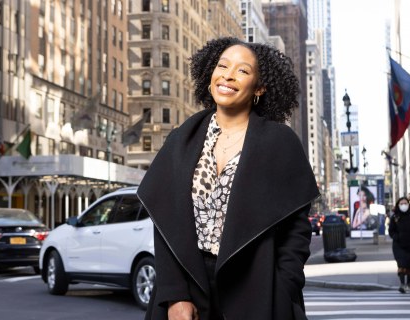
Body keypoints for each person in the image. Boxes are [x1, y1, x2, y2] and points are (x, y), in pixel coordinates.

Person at [137, 37, 319, 320]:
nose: (228, 75)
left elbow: (296, 232)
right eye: (222, 66)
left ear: (259, 87)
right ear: (210, 74)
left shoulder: (280, 142)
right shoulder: (182, 138)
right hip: (190, 288)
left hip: (256, 290)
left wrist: (282, 288)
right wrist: (175, 295)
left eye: (243, 71)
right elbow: (165, 224)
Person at [388, 197, 410, 293]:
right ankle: (402, 284)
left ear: (408, 204)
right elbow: (391, 230)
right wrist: (396, 237)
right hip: (399, 245)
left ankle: (408, 283)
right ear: (398, 205)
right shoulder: (395, 217)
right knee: (401, 264)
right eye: (401, 203)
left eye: (405, 203)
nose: (403, 205)